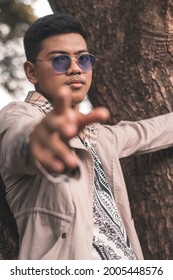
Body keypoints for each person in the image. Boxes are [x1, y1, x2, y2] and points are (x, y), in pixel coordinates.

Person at [0, 13, 173, 260]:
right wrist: (43, 139)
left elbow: (149, 131)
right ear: (32, 72)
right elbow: (20, 142)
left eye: (84, 59)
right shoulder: (18, 115)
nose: (74, 68)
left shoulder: (100, 137)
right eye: (59, 60)